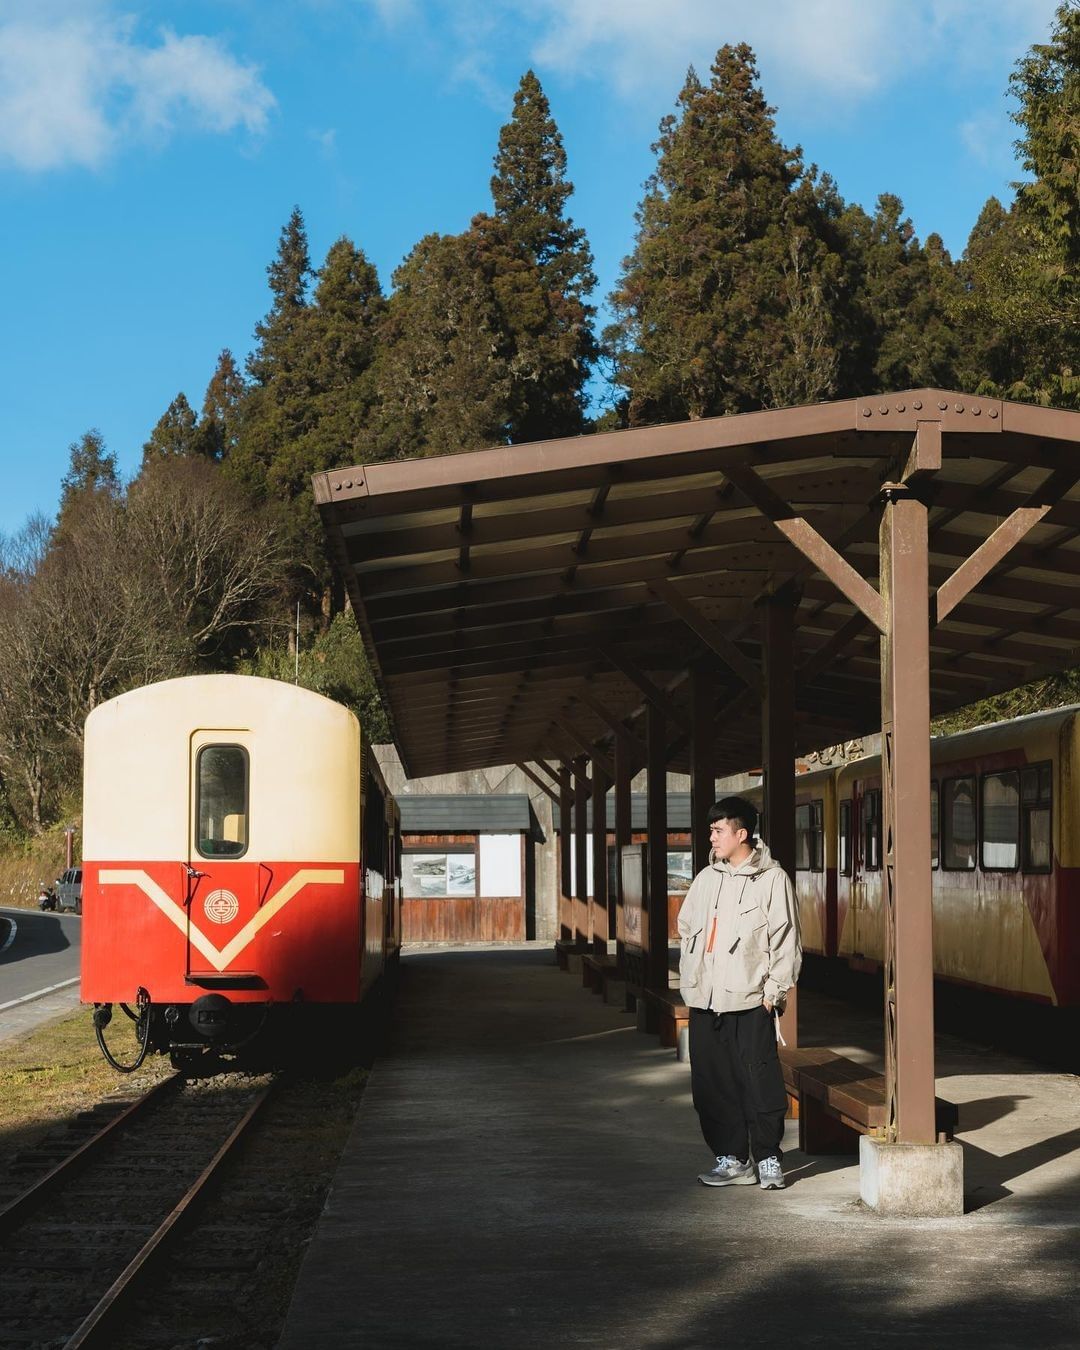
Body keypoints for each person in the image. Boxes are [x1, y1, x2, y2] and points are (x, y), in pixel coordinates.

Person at [677, 795, 801, 1190]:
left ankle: (767, 1158)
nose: (711, 838)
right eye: (711, 831)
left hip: (750, 1002)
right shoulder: (706, 879)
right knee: (711, 1086)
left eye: (718, 831)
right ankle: (731, 1159)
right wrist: (692, 978)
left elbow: (785, 941)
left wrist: (773, 993)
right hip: (704, 1001)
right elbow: (685, 930)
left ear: (741, 833)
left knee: (759, 1083)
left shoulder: (772, 880)